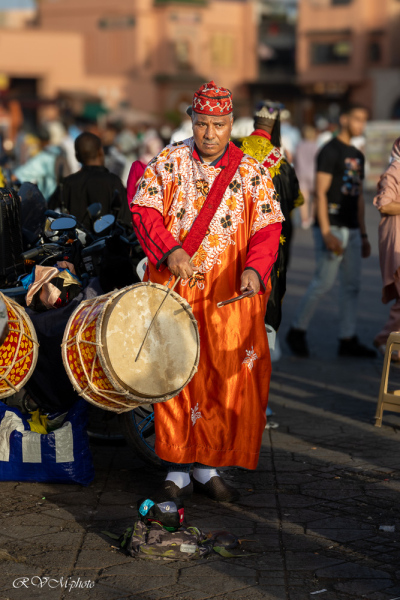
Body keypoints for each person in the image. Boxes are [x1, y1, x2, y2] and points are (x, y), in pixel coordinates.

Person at [131, 81, 284, 502]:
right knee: (177, 374)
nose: (210, 133)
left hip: (227, 297)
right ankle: (178, 468)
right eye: (202, 124)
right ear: (192, 122)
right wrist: (170, 250)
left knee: (223, 375)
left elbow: (269, 228)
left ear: (232, 123)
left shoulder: (252, 172)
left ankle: (208, 465)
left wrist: (255, 270)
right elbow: (144, 210)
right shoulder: (168, 162)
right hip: (177, 292)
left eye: (218, 124)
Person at [286, 104, 376, 358]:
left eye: (364, 120)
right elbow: (320, 193)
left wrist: (364, 234)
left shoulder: (357, 155)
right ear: (345, 119)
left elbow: (358, 197)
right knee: (323, 282)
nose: (361, 124)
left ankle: (347, 338)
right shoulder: (330, 150)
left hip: (353, 229)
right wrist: (325, 231)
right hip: (332, 226)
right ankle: (297, 330)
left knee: (352, 286)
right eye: (357, 118)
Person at [240, 100, 304, 336]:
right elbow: (295, 200)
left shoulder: (234, 150)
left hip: (236, 234)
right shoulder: (281, 160)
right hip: (268, 240)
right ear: (275, 125)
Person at [49, 132, 131, 228]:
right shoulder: (113, 182)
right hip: (108, 242)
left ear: (77, 157)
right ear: (101, 152)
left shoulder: (66, 184)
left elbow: (50, 214)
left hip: (74, 242)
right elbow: (126, 221)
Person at [373, 138, 400, 359]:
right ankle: (387, 340)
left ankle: (388, 340)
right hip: (396, 239)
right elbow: (385, 204)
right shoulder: (395, 170)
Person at [13, 126, 64, 200]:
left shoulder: (43, 157)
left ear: (39, 140)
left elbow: (21, 173)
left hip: (49, 196)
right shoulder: (59, 151)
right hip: (61, 193)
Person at [294, 125, 318, 229]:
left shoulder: (299, 146)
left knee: (304, 198)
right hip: (314, 173)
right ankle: (312, 217)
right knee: (315, 197)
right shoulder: (317, 146)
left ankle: (304, 220)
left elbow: (295, 160)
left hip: (301, 173)